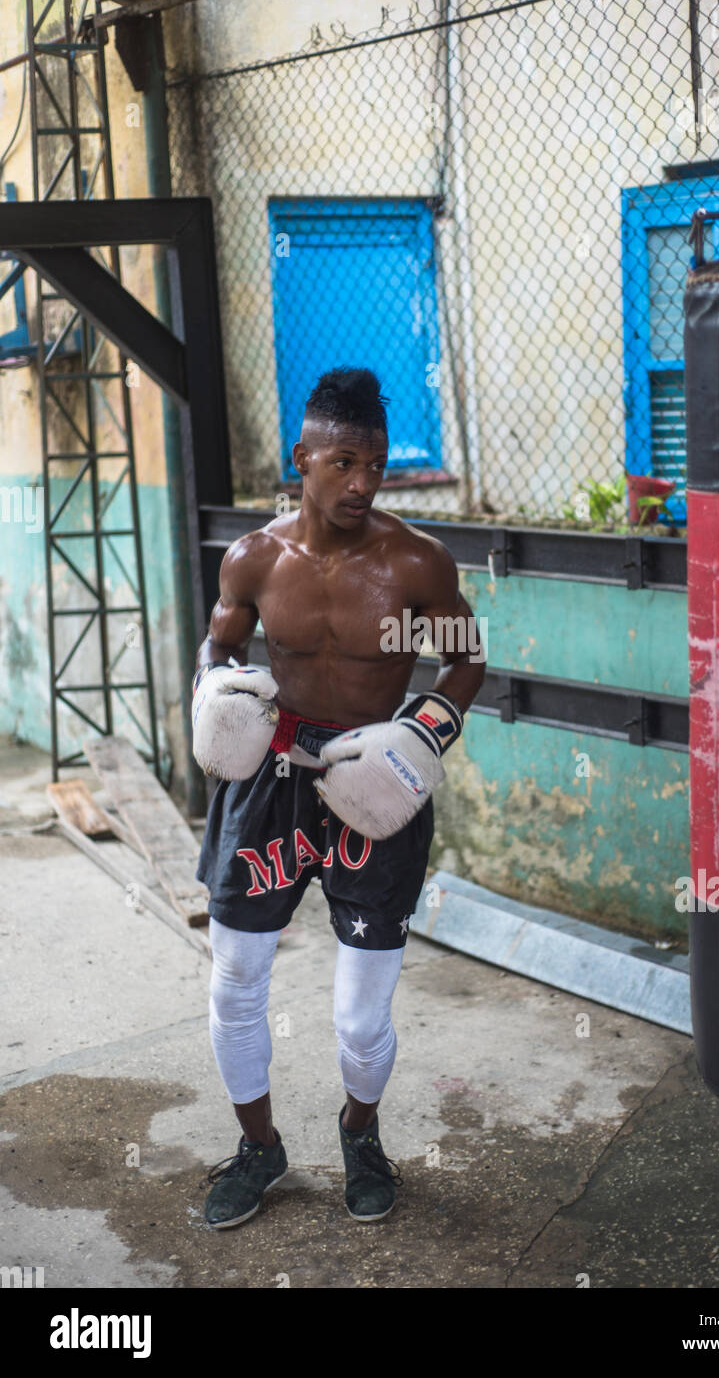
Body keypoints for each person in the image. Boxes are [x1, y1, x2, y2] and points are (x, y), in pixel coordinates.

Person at [192, 367, 486, 1228]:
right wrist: (214, 697)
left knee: (360, 1019)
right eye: (344, 463)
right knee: (236, 981)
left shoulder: (415, 561)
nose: (362, 483)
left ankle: (361, 1133)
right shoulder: (253, 559)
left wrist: (427, 730)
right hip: (271, 783)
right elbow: (218, 650)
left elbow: (465, 660)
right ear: (303, 459)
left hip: (375, 779)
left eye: (377, 465)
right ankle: (260, 1148)